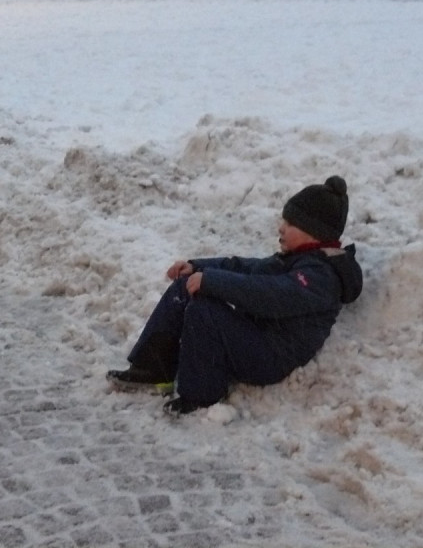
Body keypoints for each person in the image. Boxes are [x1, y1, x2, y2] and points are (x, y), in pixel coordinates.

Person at [106, 176, 363, 417]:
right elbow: (247, 268)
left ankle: (201, 396)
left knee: (205, 312)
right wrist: (199, 267)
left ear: (314, 232)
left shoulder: (321, 275)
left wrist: (212, 282)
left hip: (272, 357)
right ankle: (153, 369)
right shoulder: (299, 259)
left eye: (290, 224)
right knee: (184, 288)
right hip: (258, 336)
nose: (281, 228)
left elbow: (271, 296)